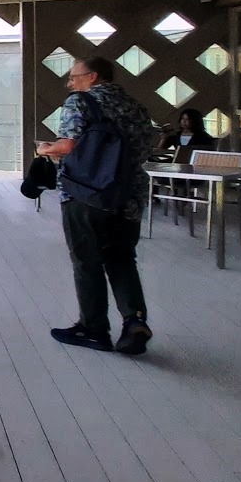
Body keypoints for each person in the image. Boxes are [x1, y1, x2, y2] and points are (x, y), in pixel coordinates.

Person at [34, 56, 158, 355]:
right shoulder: (136, 107)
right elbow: (146, 146)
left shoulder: (79, 102)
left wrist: (45, 149)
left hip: (87, 193)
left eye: (74, 76)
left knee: (86, 260)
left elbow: (69, 146)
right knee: (121, 257)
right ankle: (134, 321)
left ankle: (94, 328)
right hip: (129, 194)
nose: (70, 82)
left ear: (92, 77)